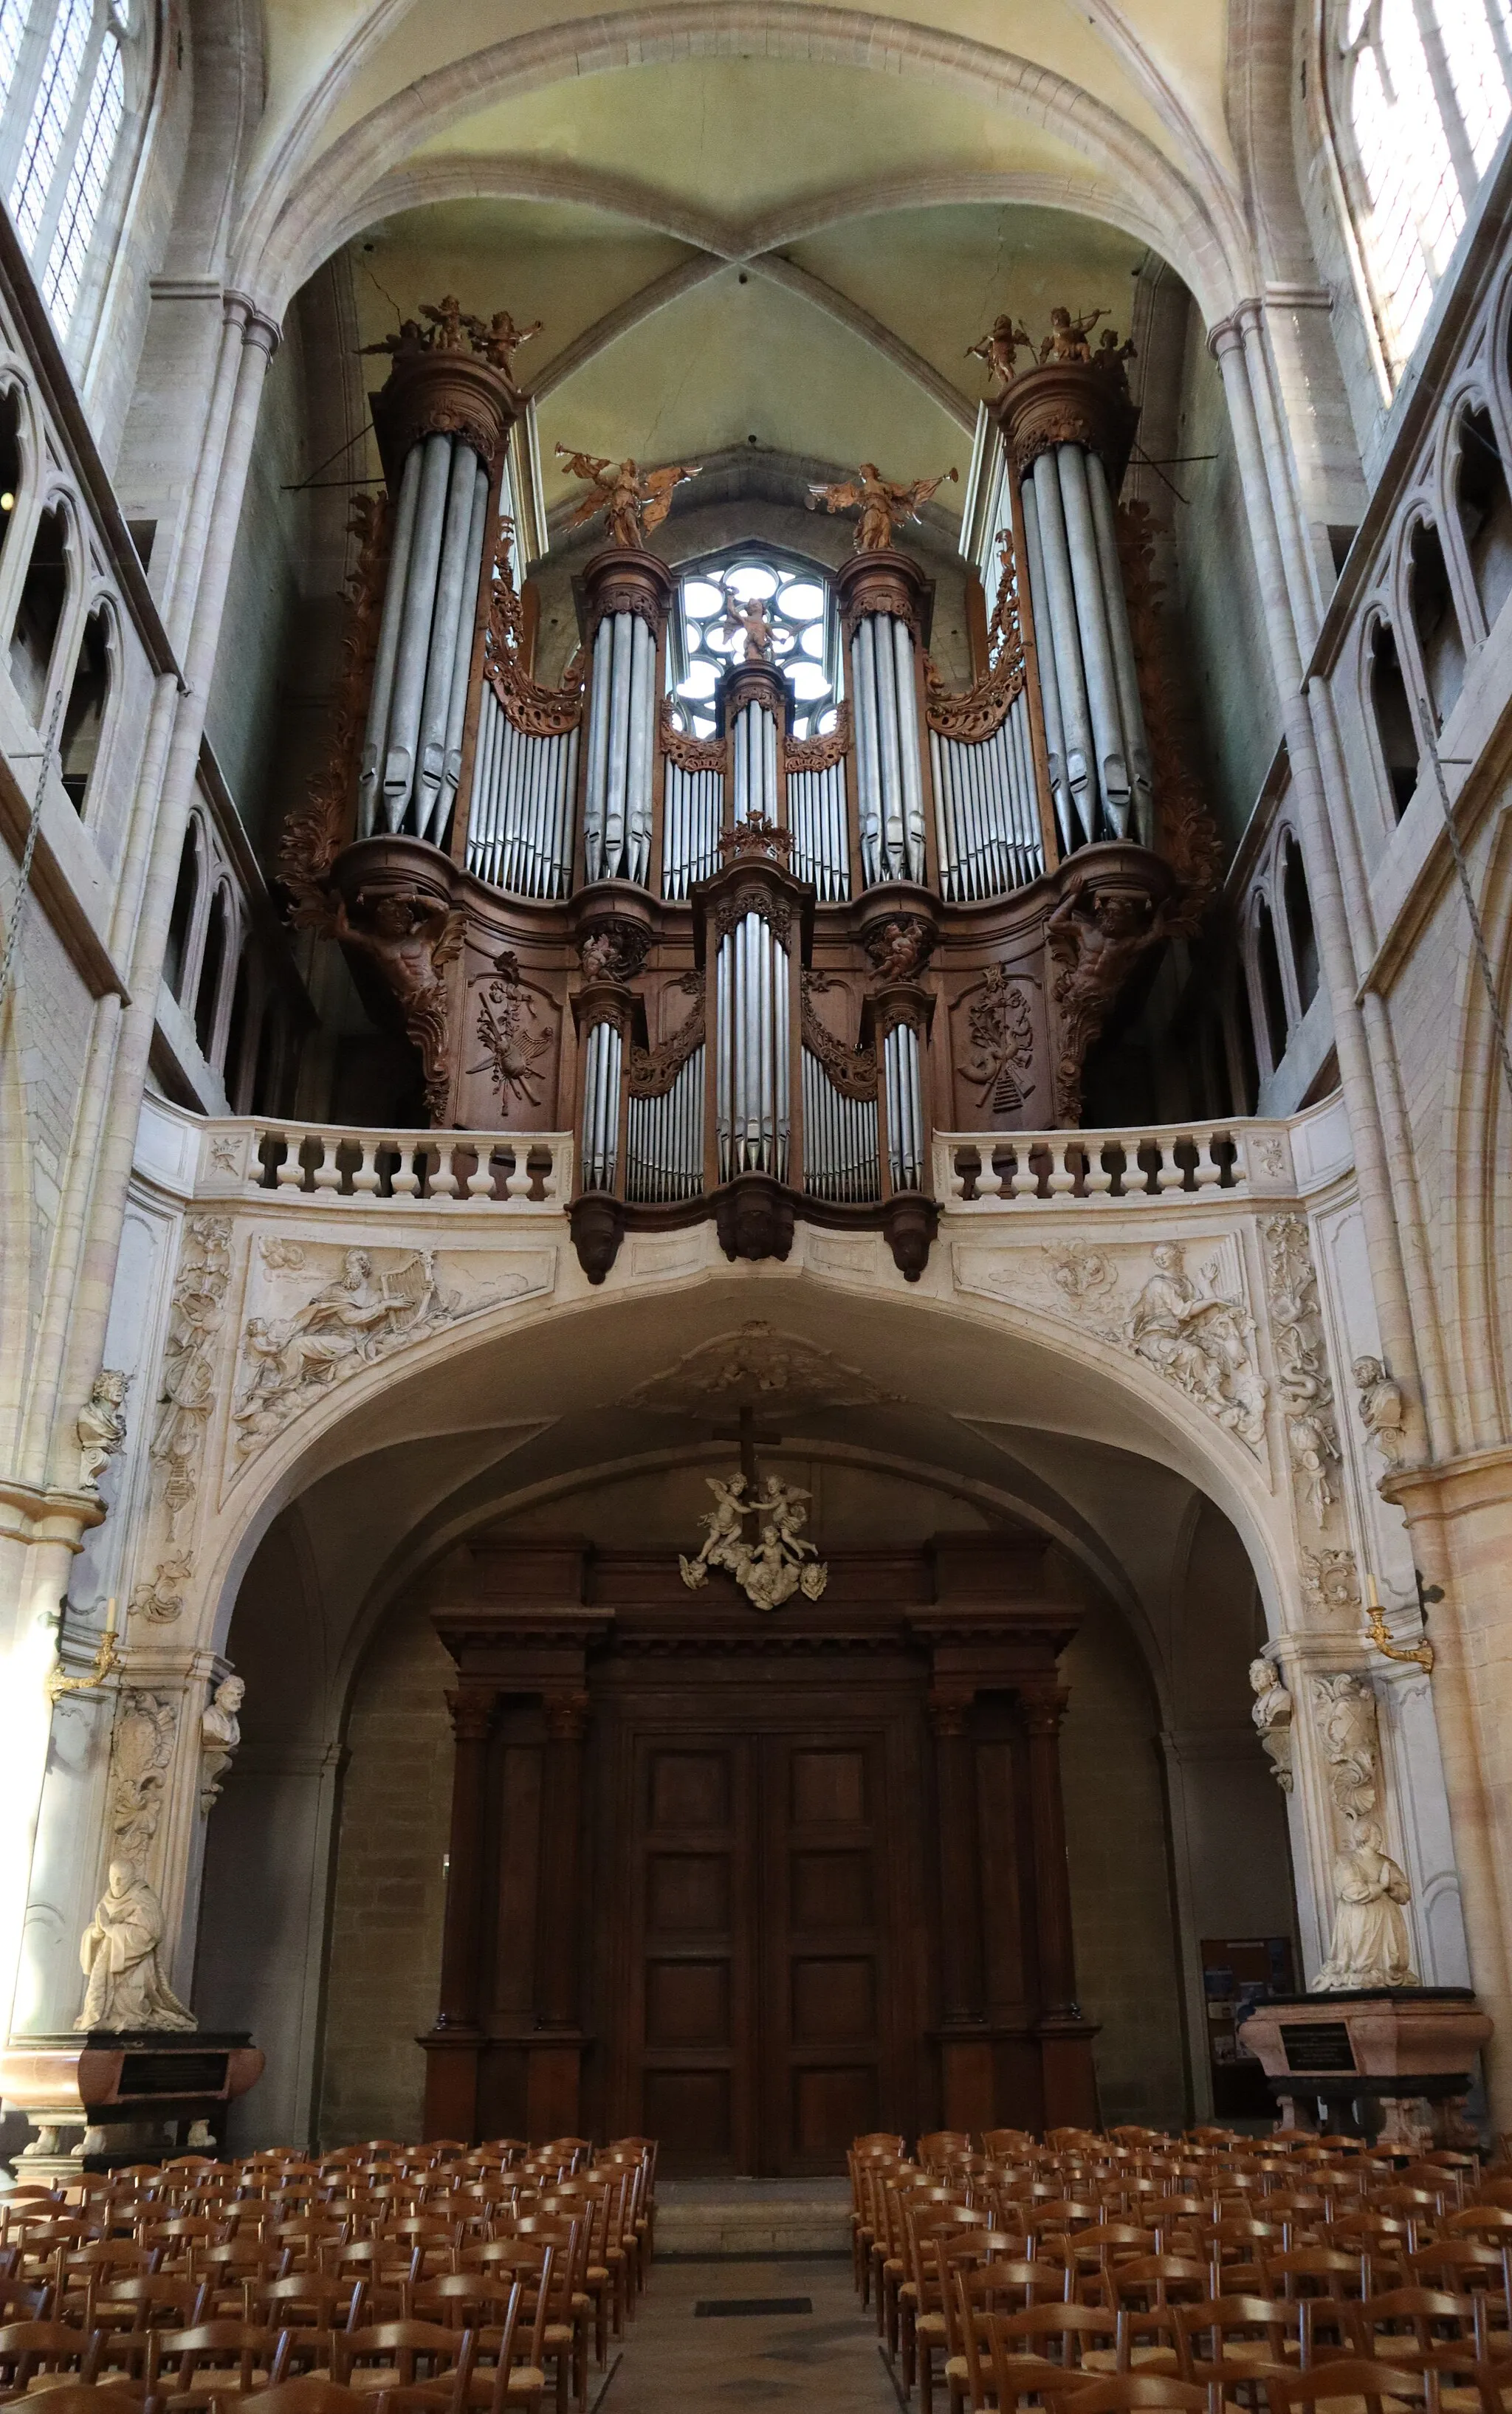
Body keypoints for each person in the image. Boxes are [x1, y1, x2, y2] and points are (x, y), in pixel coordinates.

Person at [76, 1863, 195, 2032]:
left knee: (131, 2006)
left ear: (132, 1879)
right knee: (103, 2009)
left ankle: (127, 2018)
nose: (116, 1883)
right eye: (112, 1878)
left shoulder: (144, 1898)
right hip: (108, 1966)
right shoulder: (107, 1899)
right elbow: (96, 1929)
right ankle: (106, 2017)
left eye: (121, 1879)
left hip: (134, 1968)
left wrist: (111, 1929)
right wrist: (97, 1931)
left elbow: (150, 1933)